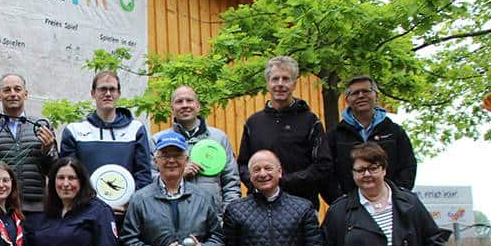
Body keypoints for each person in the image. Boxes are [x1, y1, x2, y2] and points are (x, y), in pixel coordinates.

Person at [60, 70, 151, 246]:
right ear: (93, 93)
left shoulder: (136, 129)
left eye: (112, 89)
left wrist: (130, 204)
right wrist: (92, 207)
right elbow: (68, 176)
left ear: (119, 93)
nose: (107, 93)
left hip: (126, 224)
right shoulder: (75, 131)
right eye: (102, 89)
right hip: (87, 224)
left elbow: (144, 176)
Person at [237, 56, 332, 209]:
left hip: (302, 206)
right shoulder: (253, 123)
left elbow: (322, 165)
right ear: (267, 83)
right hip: (259, 207)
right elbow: (242, 164)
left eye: (286, 79)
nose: (280, 84)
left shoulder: (310, 121)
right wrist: (261, 183)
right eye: (275, 79)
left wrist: (282, 181)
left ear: (294, 84)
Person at [0, 73, 58, 214]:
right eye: (7, 90)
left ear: (26, 94)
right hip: (0, 209)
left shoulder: (42, 126)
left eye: (17, 89)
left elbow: (55, 170)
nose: (12, 94)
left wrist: (47, 150)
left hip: (36, 209)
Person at [327, 75, 417, 198]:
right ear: (347, 99)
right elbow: (326, 172)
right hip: (349, 208)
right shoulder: (335, 135)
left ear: (376, 95)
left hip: (391, 204)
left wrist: (396, 196)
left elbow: (408, 166)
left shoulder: (395, 132)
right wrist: (341, 201)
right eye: (355, 93)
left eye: (366, 91)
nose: (361, 96)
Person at [155, 85, 240, 214]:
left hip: (213, 218)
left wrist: (228, 218)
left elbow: (231, 183)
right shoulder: (158, 141)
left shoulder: (218, 139)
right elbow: (149, 181)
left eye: (189, 100)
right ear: (172, 109)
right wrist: (178, 174)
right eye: (179, 101)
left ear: (198, 106)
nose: (185, 105)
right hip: (172, 217)